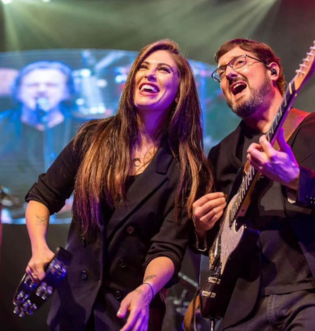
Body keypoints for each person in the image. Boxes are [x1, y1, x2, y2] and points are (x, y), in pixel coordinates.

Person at [24, 39, 213, 331]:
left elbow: (167, 248)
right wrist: (39, 248)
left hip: (128, 311)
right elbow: (43, 196)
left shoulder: (186, 167)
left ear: (179, 93)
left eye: (163, 70)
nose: (149, 74)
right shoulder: (92, 137)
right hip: (73, 303)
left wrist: (146, 290)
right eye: (143, 67)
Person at [193, 38, 315, 331]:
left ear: (273, 71)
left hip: (309, 297)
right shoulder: (220, 155)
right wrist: (200, 228)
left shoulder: (312, 129)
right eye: (221, 72)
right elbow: (215, 246)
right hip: (243, 307)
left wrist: (298, 180)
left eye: (239, 62)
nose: (229, 74)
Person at [0, 61, 83, 220]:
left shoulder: (85, 129)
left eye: (51, 85)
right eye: (33, 85)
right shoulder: (2, 126)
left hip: (71, 221)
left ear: (66, 91)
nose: (42, 90)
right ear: (18, 92)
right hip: (12, 220)